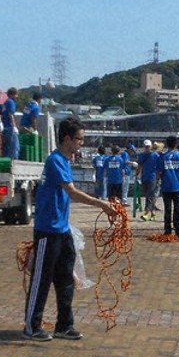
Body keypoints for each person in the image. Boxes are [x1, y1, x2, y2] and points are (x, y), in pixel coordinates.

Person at [23, 117, 117, 342]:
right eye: (79, 139)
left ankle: (64, 325)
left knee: (66, 278)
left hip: (62, 229)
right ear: (66, 139)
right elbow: (72, 193)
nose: (81, 143)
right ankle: (32, 325)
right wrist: (102, 204)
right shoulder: (55, 160)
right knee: (42, 279)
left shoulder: (65, 160)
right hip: (48, 230)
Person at [157, 136, 179, 237]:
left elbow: (159, 171)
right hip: (177, 186)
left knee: (167, 209)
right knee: (177, 209)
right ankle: (178, 231)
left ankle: (167, 230)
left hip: (166, 186)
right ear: (176, 144)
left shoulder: (163, 157)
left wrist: (157, 181)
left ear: (167, 144)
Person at [137, 139, 161, 221]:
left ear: (151, 146)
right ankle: (153, 213)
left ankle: (146, 213)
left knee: (150, 195)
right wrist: (138, 175)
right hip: (144, 177)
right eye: (146, 146)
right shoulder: (141, 155)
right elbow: (139, 166)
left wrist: (158, 178)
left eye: (148, 146)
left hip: (152, 177)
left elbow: (159, 168)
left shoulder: (156, 155)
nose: (147, 148)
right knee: (148, 195)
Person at [2, 87, 20, 159]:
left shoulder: (5, 103)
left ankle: (5, 163)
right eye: (16, 94)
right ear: (12, 95)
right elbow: (11, 114)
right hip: (10, 127)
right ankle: (13, 163)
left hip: (4, 128)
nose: (17, 96)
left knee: (6, 148)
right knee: (15, 147)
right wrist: (14, 126)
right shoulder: (11, 102)